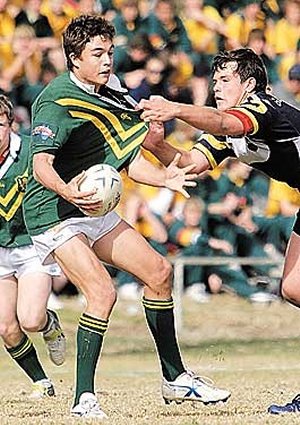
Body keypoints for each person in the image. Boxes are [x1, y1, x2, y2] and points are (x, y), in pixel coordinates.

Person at [22, 15, 231, 419]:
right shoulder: (55, 100)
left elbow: (124, 159)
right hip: (53, 210)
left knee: (159, 272)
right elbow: (42, 165)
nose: (106, 61)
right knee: (102, 293)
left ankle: (176, 379)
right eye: (97, 54)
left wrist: (166, 179)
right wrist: (68, 192)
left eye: (110, 52)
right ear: (73, 58)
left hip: (92, 204)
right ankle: (84, 398)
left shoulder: (111, 91)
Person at [138, 47, 300, 414]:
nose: (217, 86)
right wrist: (156, 144)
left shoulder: (261, 106)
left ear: (250, 84)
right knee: (292, 287)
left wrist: (176, 108)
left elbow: (226, 124)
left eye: (225, 80)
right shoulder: (228, 125)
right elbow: (191, 163)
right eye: (214, 80)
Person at [0, 94, 66, 399]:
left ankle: (50, 322)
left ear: (11, 124)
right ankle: (42, 382)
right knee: (6, 327)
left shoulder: (29, 151)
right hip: (1, 249)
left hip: (32, 244)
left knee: (30, 319)